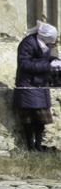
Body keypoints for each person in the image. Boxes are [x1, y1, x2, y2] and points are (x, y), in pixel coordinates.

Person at [14, 21, 61, 152]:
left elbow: (42, 58)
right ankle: (31, 146)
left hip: (40, 85)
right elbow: (24, 64)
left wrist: (53, 60)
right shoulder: (28, 43)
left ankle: (38, 146)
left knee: (41, 120)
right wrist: (48, 65)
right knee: (29, 119)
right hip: (28, 85)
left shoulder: (43, 43)